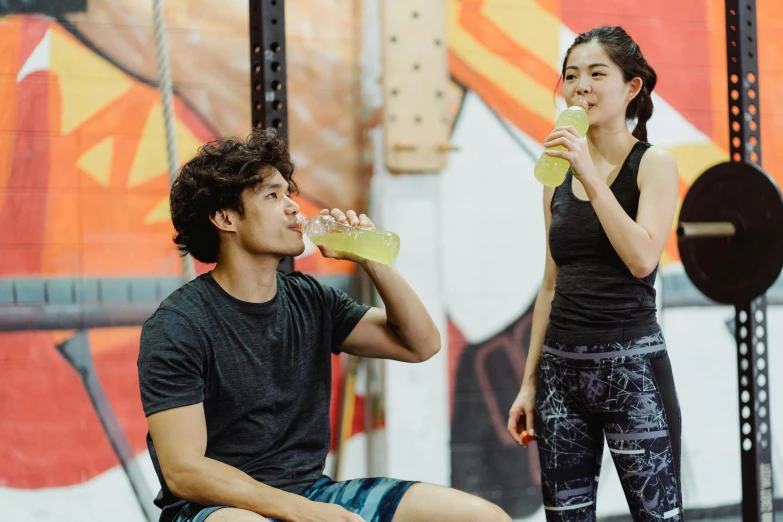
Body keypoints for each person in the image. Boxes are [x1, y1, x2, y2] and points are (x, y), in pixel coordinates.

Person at [138, 129, 511, 522]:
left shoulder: (310, 300)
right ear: (225, 217)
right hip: (216, 509)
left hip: (311, 491)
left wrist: (371, 258)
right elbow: (184, 471)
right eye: (272, 196)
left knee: (483, 517)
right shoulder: (178, 326)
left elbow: (421, 344)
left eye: (288, 193)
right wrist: (305, 513)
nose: (293, 208)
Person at [506, 26, 683, 521]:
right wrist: (529, 383)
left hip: (632, 371)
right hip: (561, 376)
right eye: (571, 75)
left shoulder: (654, 164)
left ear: (632, 88)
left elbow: (642, 259)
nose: (580, 86)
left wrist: (589, 173)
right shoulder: (556, 174)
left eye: (596, 73)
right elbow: (550, 283)